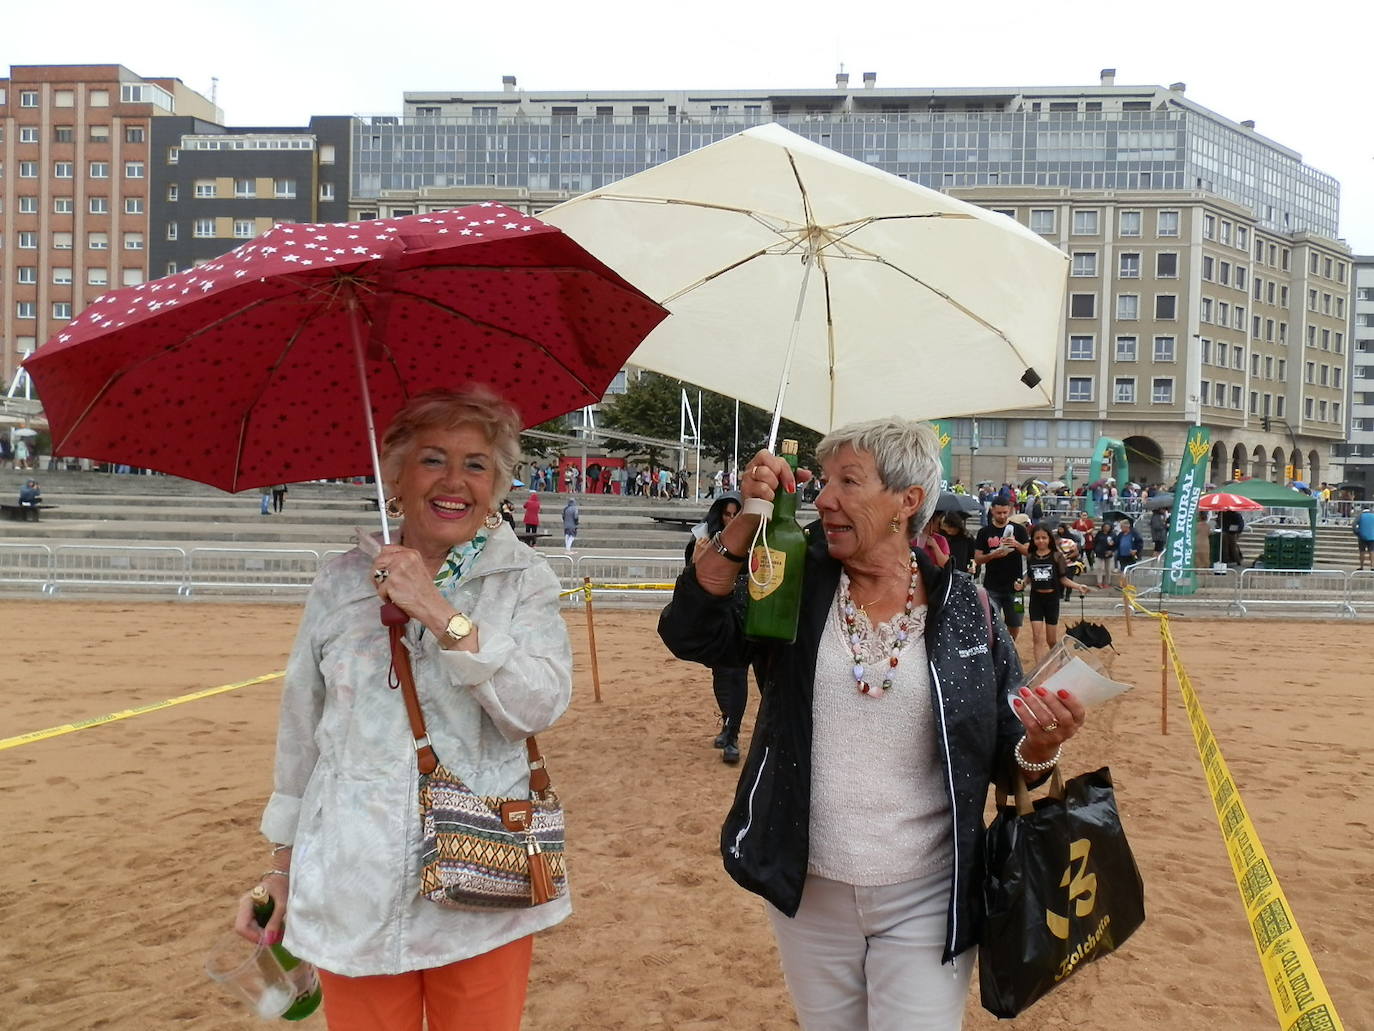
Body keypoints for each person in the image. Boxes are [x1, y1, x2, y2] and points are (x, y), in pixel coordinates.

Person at [658, 419, 1085, 1030]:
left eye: (849, 482)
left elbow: (1004, 754)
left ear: (907, 501)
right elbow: (690, 634)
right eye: (825, 481)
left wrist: (1040, 745)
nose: (825, 497)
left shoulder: (969, 609)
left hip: (929, 893)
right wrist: (748, 519)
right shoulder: (794, 578)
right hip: (807, 888)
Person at [232, 386, 574, 1031]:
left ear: (499, 484)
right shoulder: (338, 582)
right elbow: (303, 733)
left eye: (476, 464)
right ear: (395, 476)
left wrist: (441, 613)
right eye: (431, 459)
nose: (454, 481)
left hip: (479, 880)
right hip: (349, 882)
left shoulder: (522, 579)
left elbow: (538, 706)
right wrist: (280, 868)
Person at [684, 493, 752, 763]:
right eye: (727, 514)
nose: (731, 519)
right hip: (717, 614)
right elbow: (693, 570)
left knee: (736, 672)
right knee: (720, 672)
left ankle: (733, 735)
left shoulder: (755, 538)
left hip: (743, 615)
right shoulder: (708, 538)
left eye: (736, 514)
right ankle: (727, 723)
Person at [1026, 523, 1091, 664]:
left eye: (1044, 537)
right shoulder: (1030, 556)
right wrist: (1021, 583)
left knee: (1051, 639)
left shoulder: (1056, 556)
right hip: (1036, 599)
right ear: (1033, 540)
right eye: (1037, 538)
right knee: (1037, 637)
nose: (1041, 541)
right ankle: (1039, 668)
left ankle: (1059, 661)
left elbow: (1063, 578)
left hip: (1052, 600)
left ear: (1049, 538)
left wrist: (1078, 586)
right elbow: (1029, 577)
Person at [973, 497, 1029, 640]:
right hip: (992, 587)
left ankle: (1011, 647)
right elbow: (978, 559)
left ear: (1010, 510)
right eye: (999, 513)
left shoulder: (1020, 530)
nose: (1002, 516)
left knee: (1016, 622)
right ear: (992, 511)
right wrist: (992, 555)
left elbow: (1030, 553)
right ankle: (997, 651)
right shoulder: (984, 532)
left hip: (1016, 586)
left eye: (1005, 512)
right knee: (991, 622)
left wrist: (1016, 544)